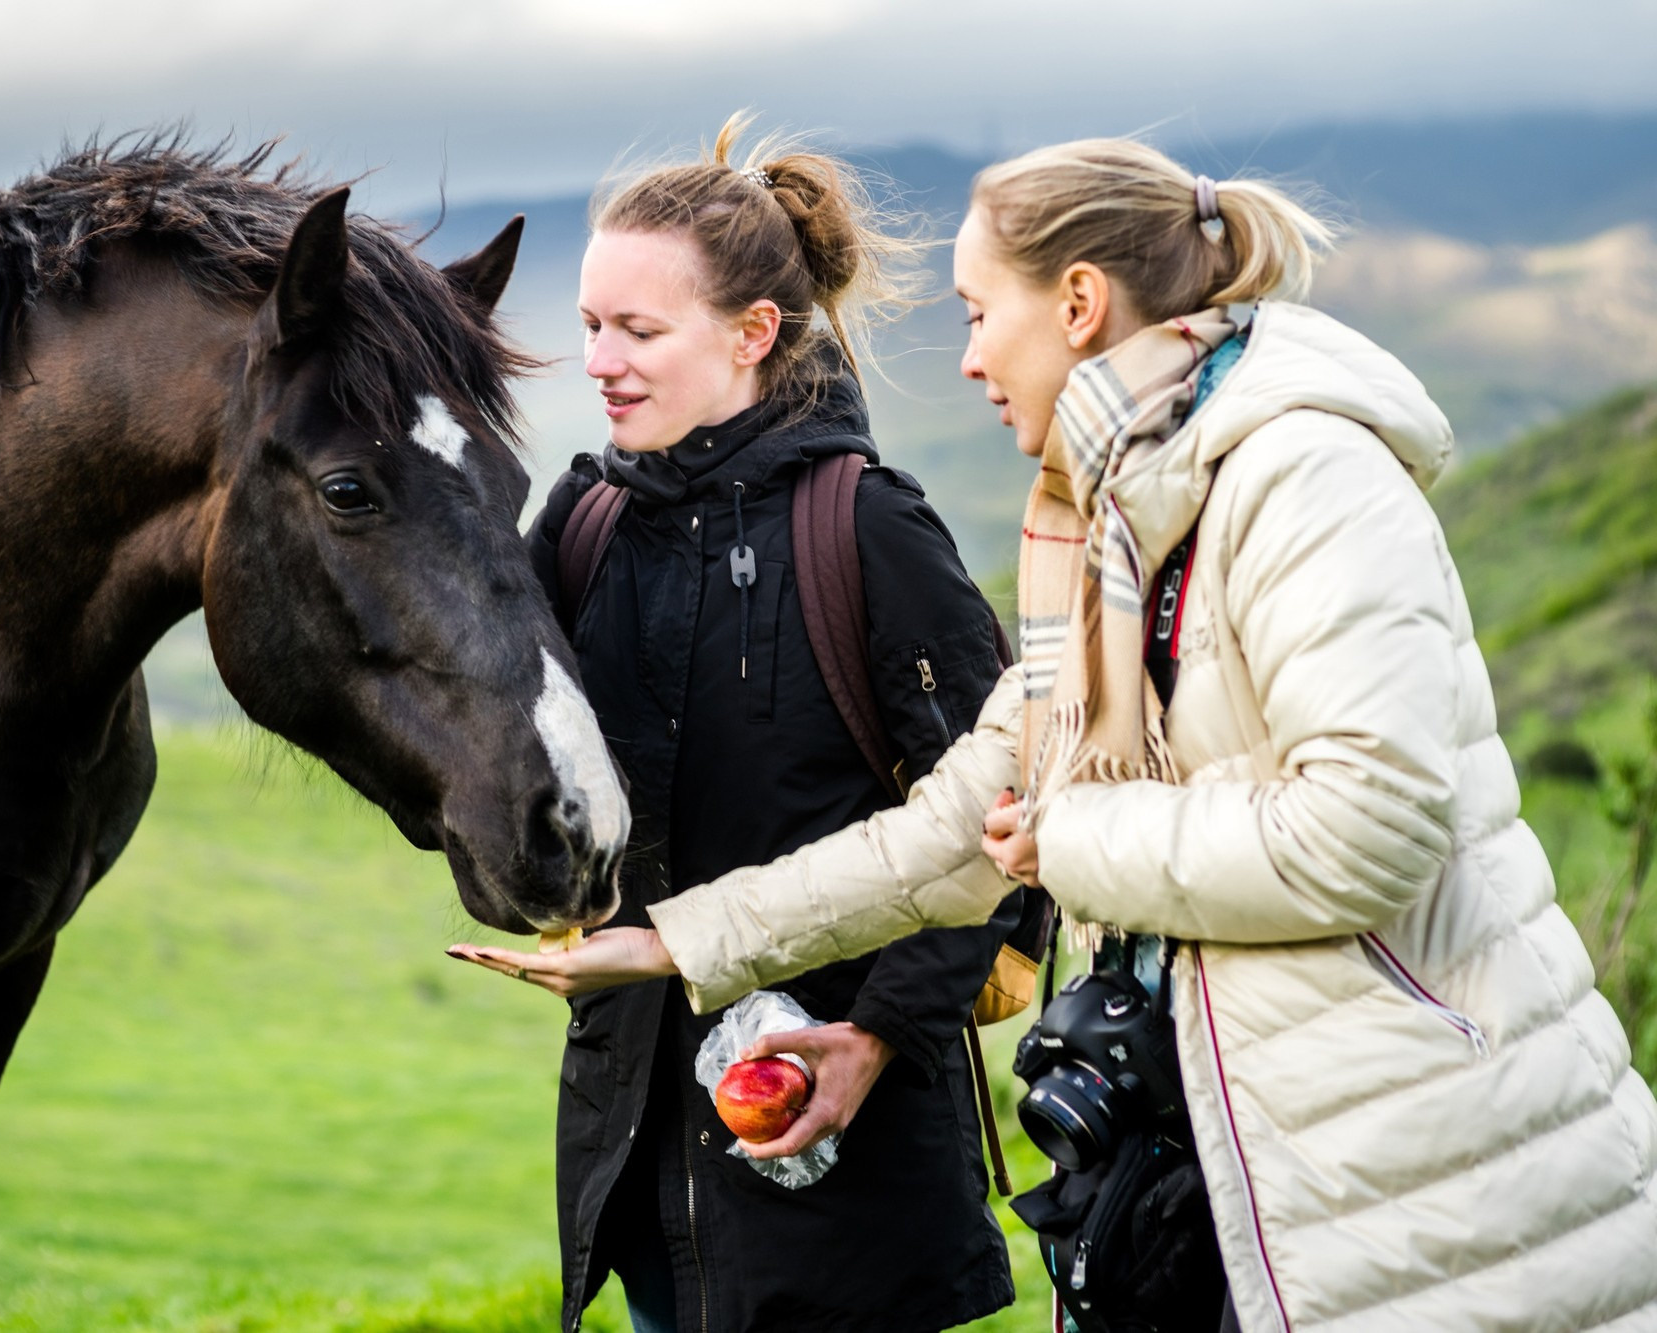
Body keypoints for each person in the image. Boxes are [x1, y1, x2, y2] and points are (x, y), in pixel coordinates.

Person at [457, 138, 1657, 1330]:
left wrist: (1064, 847)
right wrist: (671, 945)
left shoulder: (1306, 478)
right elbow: (950, 830)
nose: (968, 357)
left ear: (1077, 304)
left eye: (980, 314)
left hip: (1429, 1170)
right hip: (1233, 1157)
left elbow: (1366, 828)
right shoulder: (1104, 527)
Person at [476, 116, 1028, 1333]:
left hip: (852, 1179)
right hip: (638, 1165)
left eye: (638, 331)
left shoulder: (867, 531)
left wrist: (873, 1038)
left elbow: (1000, 837)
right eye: (590, 327)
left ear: (752, 332)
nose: (600, 362)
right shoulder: (581, 527)